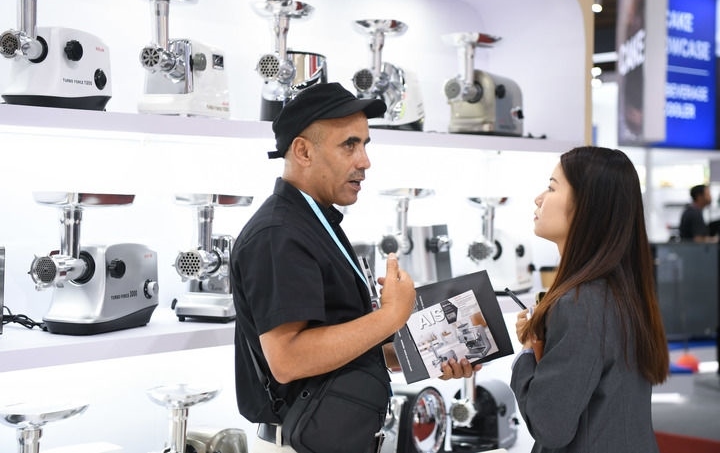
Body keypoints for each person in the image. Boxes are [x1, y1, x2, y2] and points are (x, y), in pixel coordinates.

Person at [230, 82, 480, 453]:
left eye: (364, 144)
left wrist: (431, 353)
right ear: (303, 151)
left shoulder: (315, 224)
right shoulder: (277, 234)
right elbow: (289, 359)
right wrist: (391, 315)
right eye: (349, 145)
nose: (364, 161)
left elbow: (337, 352)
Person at [511, 146, 669, 453]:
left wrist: (527, 353)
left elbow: (549, 427)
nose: (539, 199)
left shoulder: (579, 303)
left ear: (586, 205)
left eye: (551, 187)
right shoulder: (622, 292)